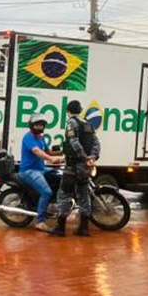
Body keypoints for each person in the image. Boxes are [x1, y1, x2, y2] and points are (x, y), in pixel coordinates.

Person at [47, 100, 100, 237]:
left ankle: (60, 228)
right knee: (83, 195)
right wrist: (92, 157)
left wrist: (83, 157)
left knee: (64, 194)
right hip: (85, 168)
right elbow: (96, 143)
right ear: (80, 109)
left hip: (73, 166)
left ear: (68, 111)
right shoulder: (87, 123)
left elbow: (74, 142)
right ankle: (83, 228)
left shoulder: (72, 123)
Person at [18, 113, 63, 232]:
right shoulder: (28, 138)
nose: (39, 127)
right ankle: (40, 221)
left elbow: (48, 151)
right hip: (29, 171)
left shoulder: (41, 138)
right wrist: (50, 159)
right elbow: (38, 152)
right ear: (32, 126)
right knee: (46, 192)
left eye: (41, 125)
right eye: (37, 125)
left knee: (59, 176)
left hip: (40, 169)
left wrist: (64, 153)